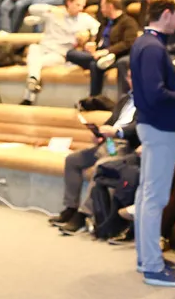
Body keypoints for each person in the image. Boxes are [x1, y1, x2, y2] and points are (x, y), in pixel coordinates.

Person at [130, 0, 175, 287]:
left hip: (153, 126)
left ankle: (147, 257)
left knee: (147, 194)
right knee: (154, 197)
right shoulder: (152, 47)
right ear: (167, 13)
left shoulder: (146, 43)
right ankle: (153, 267)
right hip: (160, 128)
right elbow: (156, 93)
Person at [51, 68, 139, 233]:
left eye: (135, 77)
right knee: (73, 160)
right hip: (110, 143)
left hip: (127, 145)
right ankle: (70, 207)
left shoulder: (149, 101)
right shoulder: (125, 99)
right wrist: (99, 133)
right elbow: (111, 121)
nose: (131, 80)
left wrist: (117, 131)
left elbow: (139, 127)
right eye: (129, 77)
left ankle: (83, 214)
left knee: (101, 165)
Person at [20, 0, 101, 105]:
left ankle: (29, 95)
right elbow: (32, 8)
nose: (80, 8)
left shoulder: (84, 18)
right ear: (69, 2)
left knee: (35, 62)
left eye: (83, 5)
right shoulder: (54, 13)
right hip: (44, 48)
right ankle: (32, 81)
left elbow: (97, 27)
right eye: (77, 5)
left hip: (59, 54)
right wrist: (51, 9)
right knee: (33, 48)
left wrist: (88, 34)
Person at [68, 0, 140, 99]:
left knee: (94, 64)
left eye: (102, 6)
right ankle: (97, 63)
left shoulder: (128, 22)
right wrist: (91, 46)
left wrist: (107, 51)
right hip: (98, 55)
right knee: (71, 54)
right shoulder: (105, 23)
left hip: (115, 56)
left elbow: (128, 43)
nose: (101, 10)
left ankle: (94, 98)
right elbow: (98, 42)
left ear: (110, 6)